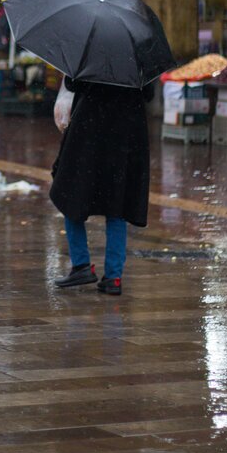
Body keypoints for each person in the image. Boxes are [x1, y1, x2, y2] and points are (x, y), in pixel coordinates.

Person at [51, 77, 154, 296]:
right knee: (117, 205)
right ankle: (113, 277)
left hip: (89, 130)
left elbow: (72, 83)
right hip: (125, 135)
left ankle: (81, 264)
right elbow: (149, 93)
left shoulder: (90, 48)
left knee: (73, 193)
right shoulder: (137, 54)